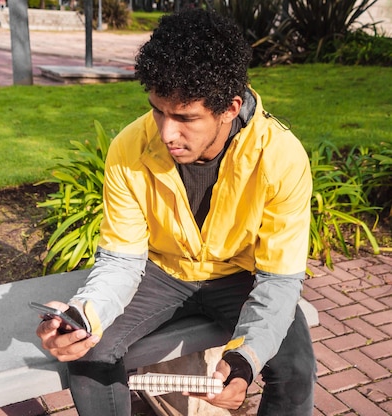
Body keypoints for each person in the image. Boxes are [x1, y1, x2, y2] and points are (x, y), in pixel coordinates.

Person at [35, 9, 316, 416]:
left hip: (241, 275)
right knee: (89, 352)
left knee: (296, 367)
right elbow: (121, 261)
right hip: (158, 272)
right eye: (158, 110)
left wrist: (243, 362)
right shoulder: (128, 148)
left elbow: (278, 281)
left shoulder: (281, 158)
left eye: (186, 117)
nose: (167, 132)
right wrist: (83, 316)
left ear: (230, 108)